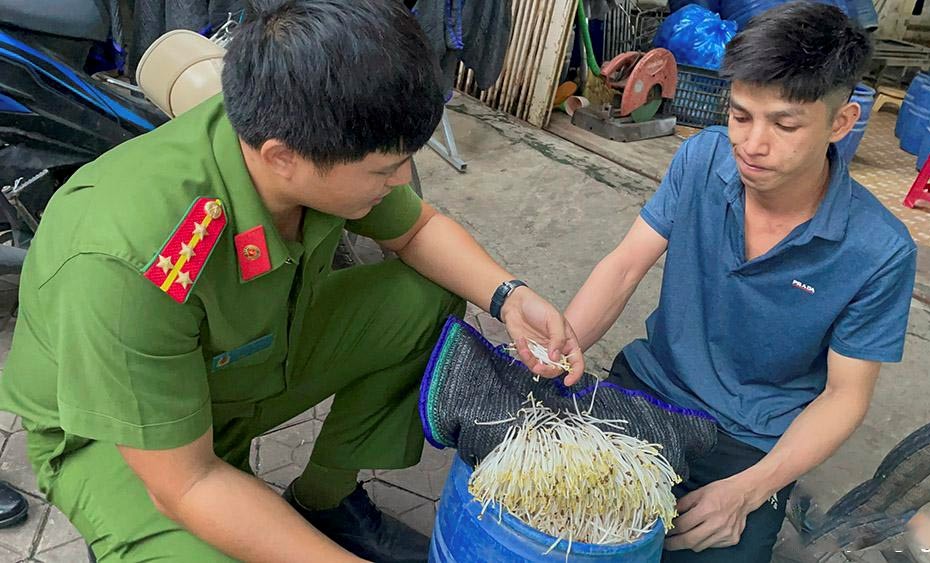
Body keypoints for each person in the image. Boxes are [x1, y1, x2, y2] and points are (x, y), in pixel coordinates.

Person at [0, 1, 584, 561]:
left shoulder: (302, 132)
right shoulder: (132, 261)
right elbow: (187, 481)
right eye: (384, 169)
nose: (402, 178)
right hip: (122, 434)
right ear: (284, 157)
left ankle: (325, 500)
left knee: (424, 295)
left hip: (240, 364)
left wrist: (511, 297)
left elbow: (415, 231)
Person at [564, 3, 916, 561]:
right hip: (652, 387)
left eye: (784, 124)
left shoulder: (878, 250)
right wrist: (560, 352)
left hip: (753, 441)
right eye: (740, 115)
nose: (752, 144)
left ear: (841, 123)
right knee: (562, 527)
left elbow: (845, 396)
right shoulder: (703, 159)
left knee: (713, 545)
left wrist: (752, 488)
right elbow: (626, 263)